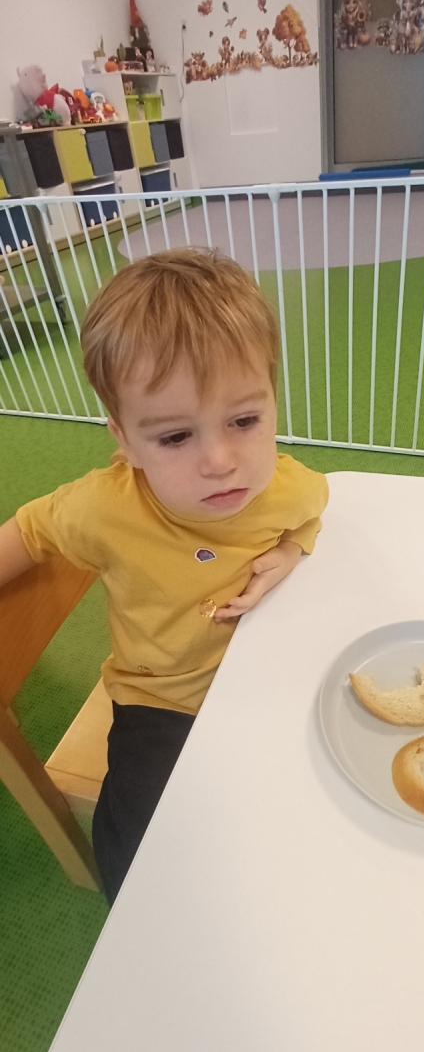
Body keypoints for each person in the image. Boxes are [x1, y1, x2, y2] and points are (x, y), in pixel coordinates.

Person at [0, 249, 328, 902]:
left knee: (312, 821)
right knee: (138, 858)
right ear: (124, 440)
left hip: (265, 671)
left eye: (244, 420)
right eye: (175, 437)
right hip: (161, 698)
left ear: (272, 403)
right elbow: (30, 533)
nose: (221, 461)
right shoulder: (104, 508)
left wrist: (292, 551)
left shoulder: (287, 486)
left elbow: (313, 509)